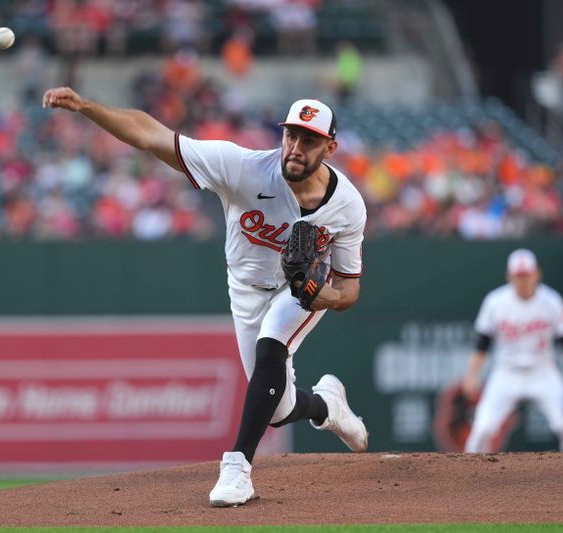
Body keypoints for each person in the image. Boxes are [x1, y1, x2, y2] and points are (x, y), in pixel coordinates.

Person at [42, 87, 368, 506]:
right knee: (279, 408)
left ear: (330, 147)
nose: (296, 147)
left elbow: (350, 289)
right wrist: (87, 107)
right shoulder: (245, 169)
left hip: (298, 294)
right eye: (291, 135)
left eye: (309, 140)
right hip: (246, 287)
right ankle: (327, 407)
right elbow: (150, 135)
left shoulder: (348, 205)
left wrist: (320, 295)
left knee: (272, 347)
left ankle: (238, 466)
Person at [462, 249, 563, 453]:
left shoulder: (551, 301)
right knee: (482, 429)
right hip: (506, 373)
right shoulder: (495, 301)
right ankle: (467, 480)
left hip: (543, 372)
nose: (522, 280)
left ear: (537, 273)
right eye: (518, 276)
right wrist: (472, 375)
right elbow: (482, 343)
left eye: (526, 275)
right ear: (509, 276)